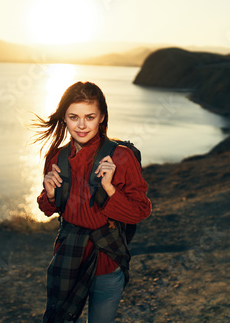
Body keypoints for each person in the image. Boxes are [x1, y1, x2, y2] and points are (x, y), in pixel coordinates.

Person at [32, 81, 152, 322]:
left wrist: (109, 189)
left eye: (90, 116)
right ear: (64, 118)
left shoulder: (121, 157)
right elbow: (48, 209)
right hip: (68, 258)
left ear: (101, 118)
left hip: (108, 261)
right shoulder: (56, 157)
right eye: (74, 117)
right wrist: (51, 194)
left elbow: (140, 211)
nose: (82, 125)